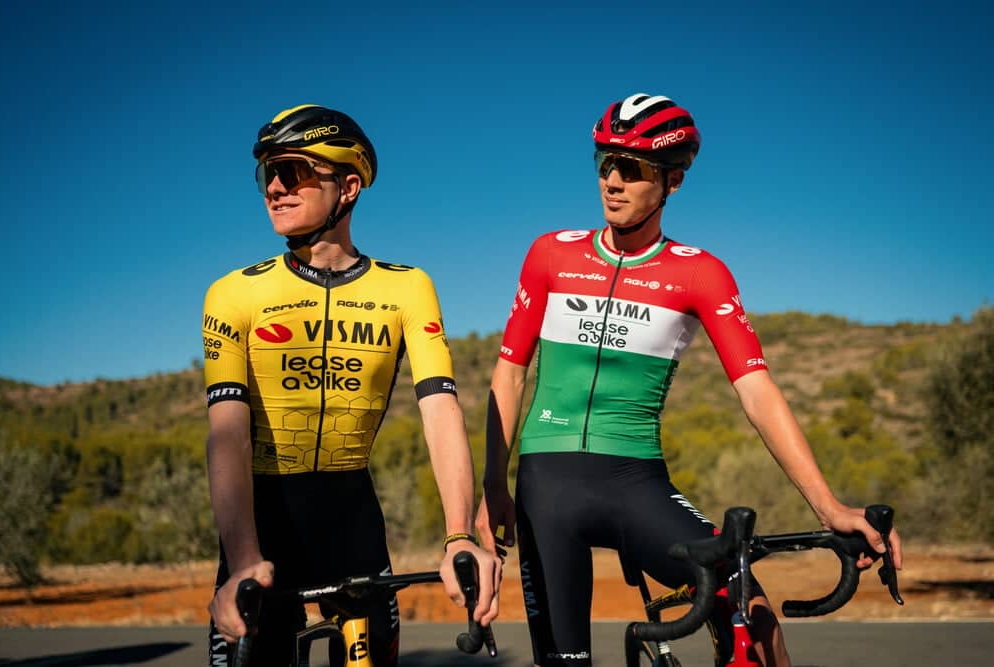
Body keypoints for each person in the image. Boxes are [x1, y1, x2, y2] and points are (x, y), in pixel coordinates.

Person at [475, 93, 904, 667]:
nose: (613, 182)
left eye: (632, 169)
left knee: (750, 612)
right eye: (605, 163)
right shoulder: (549, 254)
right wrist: (493, 488)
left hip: (636, 482)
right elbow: (509, 374)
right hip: (545, 486)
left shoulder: (699, 272)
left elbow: (757, 391)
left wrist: (827, 507)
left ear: (672, 181)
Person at [203, 103, 500, 667]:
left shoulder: (407, 288)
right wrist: (242, 559)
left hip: (352, 524)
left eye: (291, 171)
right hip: (260, 530)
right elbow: (227, 435)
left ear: (348, 186)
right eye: (267, 174)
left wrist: (459, 535)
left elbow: (441, 411)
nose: (274, 188)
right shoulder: (233, 293)